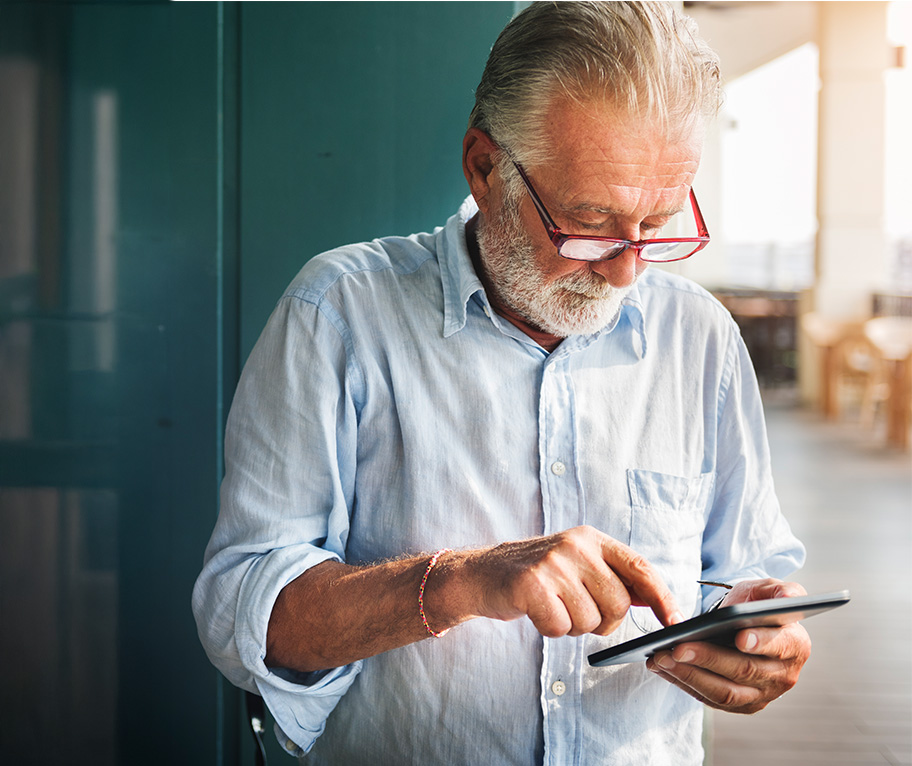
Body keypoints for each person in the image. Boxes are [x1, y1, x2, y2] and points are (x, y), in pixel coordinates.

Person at [192, 2, 811, 764]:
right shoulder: (341, 313)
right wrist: (461, 580)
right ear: (485, 168)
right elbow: (243, 614)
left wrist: (758, 635)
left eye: (657, 224)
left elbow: (739, 577)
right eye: (591, 223)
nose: (628, 268)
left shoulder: (700, 337)